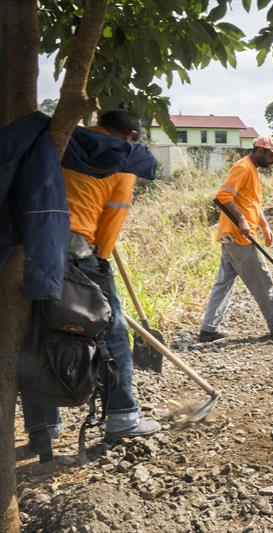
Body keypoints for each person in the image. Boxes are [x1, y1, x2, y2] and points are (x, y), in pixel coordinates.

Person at [22, 109, 161, 451]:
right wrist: (101, 262)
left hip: (30, 246)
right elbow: (112, 222)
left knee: (36, 333)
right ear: (130, 137)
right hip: (79, 251)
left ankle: (43, 429)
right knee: (110, 331)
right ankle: (123, 416)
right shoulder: (119, 158)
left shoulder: (64, 139)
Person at [198, 136, 273, 342]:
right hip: (239, 237)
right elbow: (222, 197)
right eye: (272, 156)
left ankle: (208, 329)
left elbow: (253, 202)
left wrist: (265, 225)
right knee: (263, 281)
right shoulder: (243, 167)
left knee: (223, 283)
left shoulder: (253, 171)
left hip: (232, 237)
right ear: (260, 151)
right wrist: (242, 220)